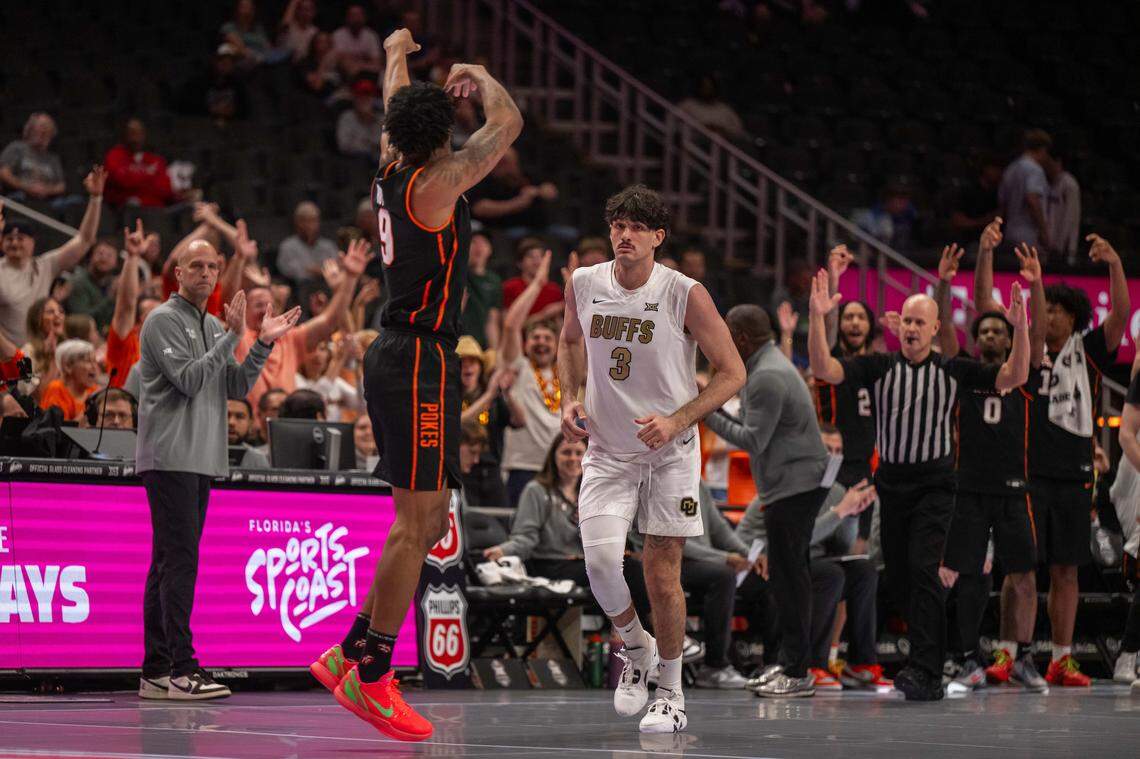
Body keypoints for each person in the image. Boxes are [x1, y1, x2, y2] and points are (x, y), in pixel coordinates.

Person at [308, 30, 522, 742]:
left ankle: (348, 647)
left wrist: (398, 47)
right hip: (421, 358)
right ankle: (371, 675)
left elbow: (400, 102)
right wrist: (480, 73)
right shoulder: (436, 182)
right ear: (441, 140)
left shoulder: (390, 165)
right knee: (415, 521)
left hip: (397, 348)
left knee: (428, 520)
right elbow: (509, 124)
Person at [559, 184, 746, 733]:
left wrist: (677, 419)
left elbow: (733, 372)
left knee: (662, 574)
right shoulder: (584, 283)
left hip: (671, 453)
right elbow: (570, 342)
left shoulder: (684, 293)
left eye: (637, 227)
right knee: (598, 563)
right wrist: (570, 396)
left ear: (658, 238)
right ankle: (634, 646)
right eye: (617, 225)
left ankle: (671, 691)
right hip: (609, 452)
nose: (624, 235)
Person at [809, 266, 1031, 701]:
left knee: (925, 570)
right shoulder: (878, 366)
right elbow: (824, 368)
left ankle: (926, 669)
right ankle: (927, 660)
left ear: (934, 328)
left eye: (919, 322)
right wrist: (817, 317)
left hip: (934, 484)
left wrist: (1021, 329)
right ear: (897, 326)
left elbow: (1014, 377)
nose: (911, 328)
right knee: (901, 578)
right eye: (906, 321)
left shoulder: (952, 369)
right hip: (891, 484)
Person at [134, 236, 300, 701]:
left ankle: (155, 671)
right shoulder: (162, 320)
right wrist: (232, 334)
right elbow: (188, 381)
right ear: (179, 273)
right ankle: (184, 670)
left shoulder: (212, 324)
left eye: (212, 266)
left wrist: (261, 344)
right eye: (196, 266)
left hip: (201, 458)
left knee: (166, 564)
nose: (206, 274)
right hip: (170, 457)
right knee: (179, 562)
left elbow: (235, 384)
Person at [933, 223, 1048, 693]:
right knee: (958, 574)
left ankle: (1021, 658)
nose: (993, 333)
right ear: (979, 337)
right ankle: (964, 658)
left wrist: (1036, 286)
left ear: (1009, 335)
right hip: (969, 487)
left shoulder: (1023, 368)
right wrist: (978, 256)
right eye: (987, 329)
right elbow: (946, 325)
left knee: (1023, 576)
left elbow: (1035, 331)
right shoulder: (963, 369)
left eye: (1003, 328)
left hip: (1014, 489)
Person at [703, 305, 831, 698]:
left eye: (727, 335)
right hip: (794, 484)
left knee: (790, 581)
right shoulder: (767, 366)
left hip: (794, 488)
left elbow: (752, 440)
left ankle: (796, 670)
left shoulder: (767, 376)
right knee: (791, 579)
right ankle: (793, 661)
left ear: (741, 338)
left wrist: (705, 409)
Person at [1026, 232, 1129, 687]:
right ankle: (1017, 655)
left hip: (1073, 474)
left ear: (1073, 318)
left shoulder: (1086, 354)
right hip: (1029, 471)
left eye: (1058, 310)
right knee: (1022, 569)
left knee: (1066, 569)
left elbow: (1122, 315)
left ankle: (1061, 658)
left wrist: (1115, 264)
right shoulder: (1024, 352)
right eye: (1044, 308)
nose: (1048, 316)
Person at [483, 435, 652, 620]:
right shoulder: (537, 490)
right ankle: (652, 633)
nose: (573, 458)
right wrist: (503, 550)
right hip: (549, 564)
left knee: (634, 569)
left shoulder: (591, 493)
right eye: (566, 452)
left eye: (579, 453)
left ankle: (636, 636)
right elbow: (525, 537)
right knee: (629, 571)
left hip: (583, 563)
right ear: (553, 457)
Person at [237, 237, 368, 411]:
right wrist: (241, 260)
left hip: (288, 424)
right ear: (244, 311)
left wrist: (350, 278)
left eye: (269, 305)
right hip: (250, 426)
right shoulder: (239, 337)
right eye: (258, 305)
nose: (264, 311)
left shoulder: (290, 338)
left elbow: (330, 321)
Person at [0, 168, 105, 344]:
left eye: (20, 238)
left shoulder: (45, 266)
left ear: (33, 243)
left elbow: (85, 240)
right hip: (6, 362)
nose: (15, 243)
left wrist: (96, 199)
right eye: (9, 238)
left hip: (40, 356)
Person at [678, 483, 760, 689]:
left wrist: (749, 555)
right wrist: (723, 558)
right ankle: (715, 666)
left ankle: (770, 662)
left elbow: (719, 528)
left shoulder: (696, 480)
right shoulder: (656, 476)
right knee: (723, 576)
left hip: (704, 561)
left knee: (763, 577)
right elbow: (672, 540)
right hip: (670, 559)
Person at [498, 254, 563, 506]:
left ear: (557, 345)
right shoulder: (519, 366)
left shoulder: (566, 372)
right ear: (526, 343)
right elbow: (511, 326)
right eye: (535, 338)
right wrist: (537, 285)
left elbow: (580, 339)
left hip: (561, 466)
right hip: (522, 466)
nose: (541, 343)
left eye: (548, 338)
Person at [103, 118, 178, 208]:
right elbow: (121, 181)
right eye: (132, 133)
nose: (135, 138)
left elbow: (165, 190)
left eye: (139, 133)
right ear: (124, 135)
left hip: (154, 210)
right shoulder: (114, 155)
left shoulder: (156, 160)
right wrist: (149, 179)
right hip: (122, 211)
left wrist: (136, 178)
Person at [998, 129, 1052, 252]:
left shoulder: (1011, 169)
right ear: (1042, 149)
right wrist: (1044, 231)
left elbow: (1002, 203)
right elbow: (1032, 199)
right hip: (1028, 234)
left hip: (1010, 232)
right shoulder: (1034, 169)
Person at [0, 113, 66, 201]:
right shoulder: (16, 148)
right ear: (30, 129)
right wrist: (27, 187)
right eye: (41, 127)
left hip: (47, 201)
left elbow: (61, 186)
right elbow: (3, 173)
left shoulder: (53, 158)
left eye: (47, 130)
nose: (43, 131)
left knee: (74, 201)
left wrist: (46, 190)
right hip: (20, 197)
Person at [501, 237, 564, 322]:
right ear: (519, 263)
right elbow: (508, 325)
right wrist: (543, 315)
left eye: (541, 256)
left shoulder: (554, 290)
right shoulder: (510, 287)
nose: (537, 261)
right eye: (531, 256)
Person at [277, 201, 340, 284]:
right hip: (299, 290)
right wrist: (320, 272)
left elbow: (337, 270)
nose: (310, 226)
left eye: (314, 221)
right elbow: (290, 272)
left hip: (328, 287)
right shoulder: (287, 246)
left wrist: (315, 271)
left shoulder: (328, 245)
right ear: (297, 222)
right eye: (306, 221)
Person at [458, 231, 502, 348]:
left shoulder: (494, 280)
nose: (478, 247)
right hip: (456, 339)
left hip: (480, 344)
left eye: (483, 243)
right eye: (474, 242)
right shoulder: (456, 274)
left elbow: (492, 319)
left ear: (490, 250)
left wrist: (494, 351)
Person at [65, 237, 119, 330]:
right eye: (100, 253)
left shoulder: (110, 283)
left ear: (116, 263)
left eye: (109, 255)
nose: (104, 258)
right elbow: (83, 320)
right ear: (91, 257)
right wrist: (111, 298)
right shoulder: (78, 282)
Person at [39, 339, 98, 421]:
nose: (94, 366)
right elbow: (58, 430)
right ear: (68, 366)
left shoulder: (95, 392)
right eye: (88, 361)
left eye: (95, 361)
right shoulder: (56, 390)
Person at [1043, 150, 1081, 266]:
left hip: (1064, 250)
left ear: (1057, 162)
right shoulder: (1052, 183)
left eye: (1048, 162)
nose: (1045, 166)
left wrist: (1062, 246)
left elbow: (1071, 218)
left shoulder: (1069, 184)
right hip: (1051, 247)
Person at [331, 4, 382, 79]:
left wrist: (359, 66)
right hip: (343, 75)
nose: (356, 19)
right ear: (347, 18)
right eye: (353, 15)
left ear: (364, 18)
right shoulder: (338, 35)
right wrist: (364, 61)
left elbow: (376, 61)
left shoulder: (371, 35)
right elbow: (341, 60)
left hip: (368, 74)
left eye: (359, 15)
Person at [337, 80, 382, 162]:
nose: (364, 100)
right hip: (353, 164)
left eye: (368, 96)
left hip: (376, 164)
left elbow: (384, 147)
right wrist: (370, 146)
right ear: (354, 98)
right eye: (360, 96)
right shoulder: (347, 117)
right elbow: (344, 146)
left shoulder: (380, 119)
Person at [227, 398, 270, 468]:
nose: (231, 422)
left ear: (250, 423)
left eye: (239, 416)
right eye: (225, 415)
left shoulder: (258, 458)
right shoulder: (203, 454)